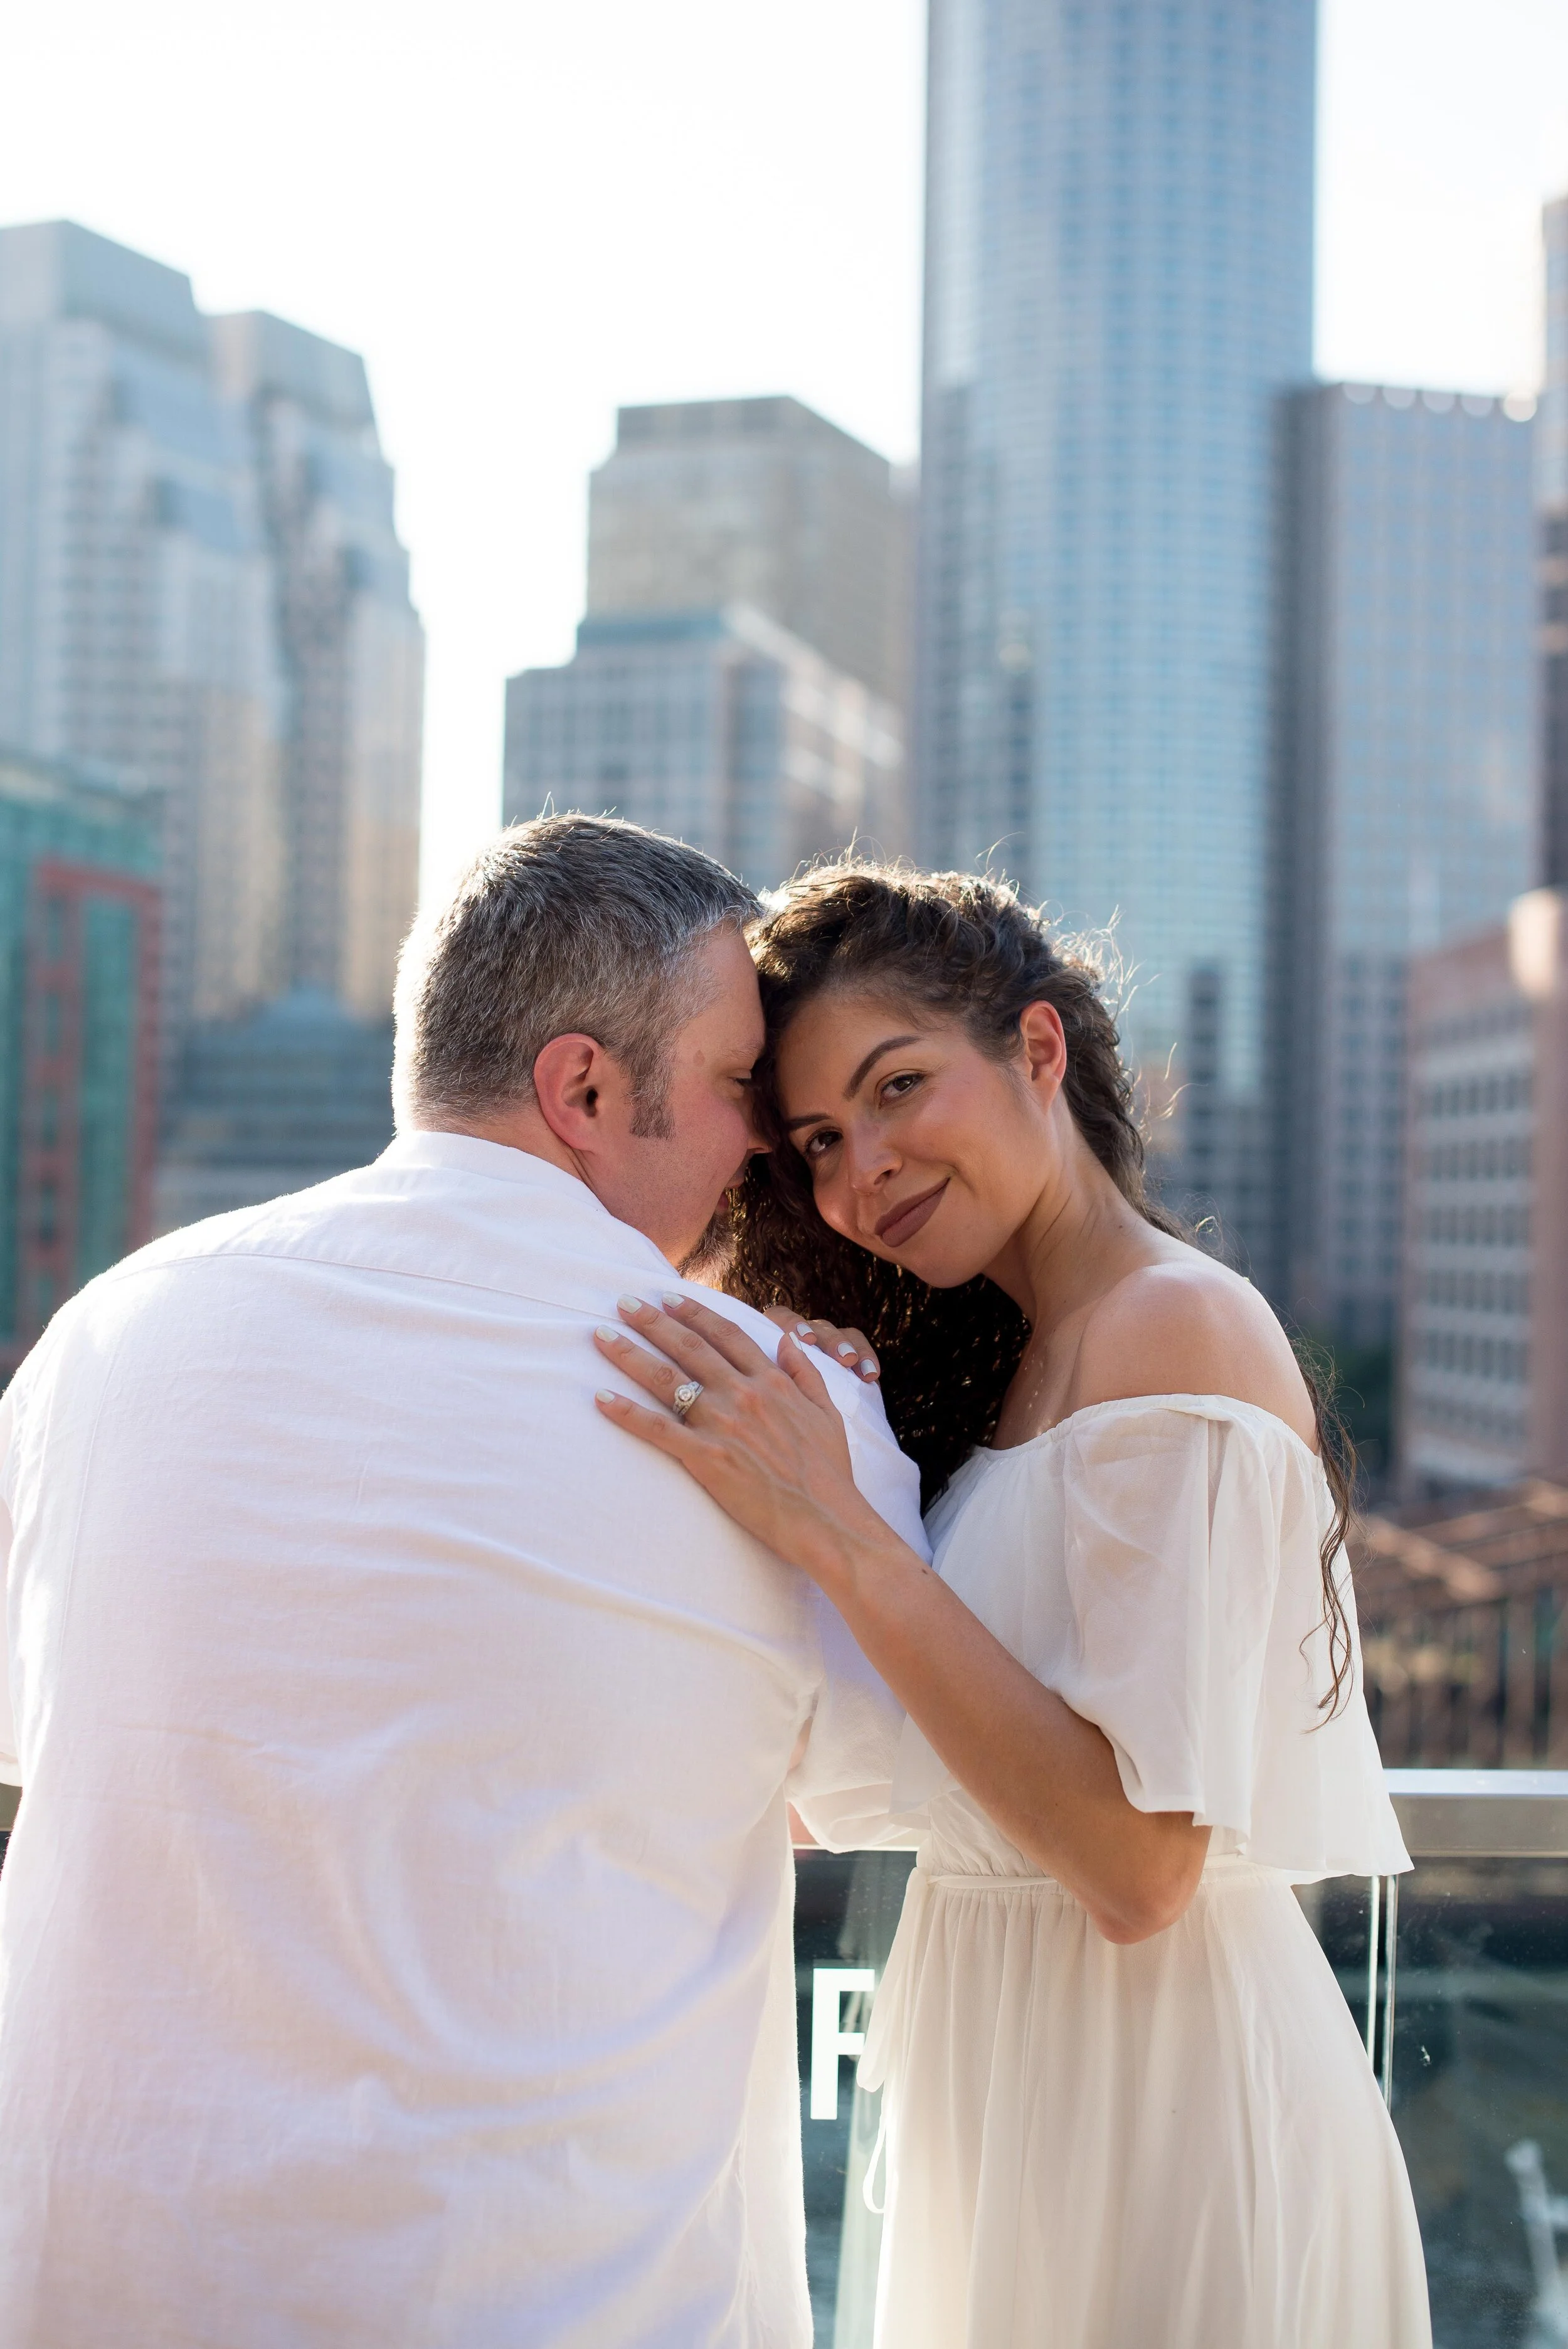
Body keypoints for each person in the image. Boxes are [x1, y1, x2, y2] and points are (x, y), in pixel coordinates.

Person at [0, 817, 925, 2349]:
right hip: (552, 2300)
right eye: (734, 1090)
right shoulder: (774, 1415)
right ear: (582, 1090)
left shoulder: (104, 1334)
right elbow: (902, 1795)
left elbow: (46, 1739)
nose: (761, 1141)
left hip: (93, 2282)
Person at [592, 862, 1433, 2349]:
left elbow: (1134, 1869)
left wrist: (845, 1533)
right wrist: (836, 1453)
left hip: (1159, 2104)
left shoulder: (1168, 1325)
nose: (863, 1171)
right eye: (817, 1141)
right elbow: (909, 1774)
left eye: (898, 1085)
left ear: (1036, 1053)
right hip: (1011, 2075)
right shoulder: (1022, 1366)